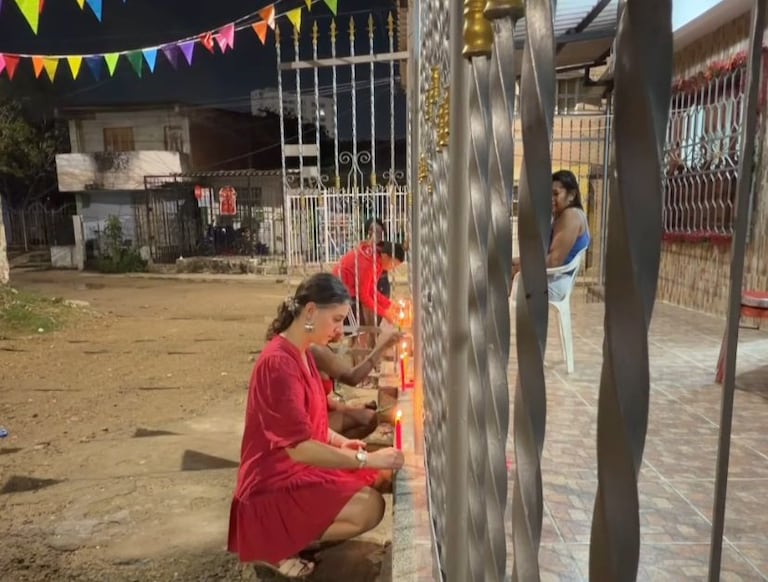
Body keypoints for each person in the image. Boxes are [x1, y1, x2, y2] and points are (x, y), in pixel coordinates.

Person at [228, 273, 405, 578]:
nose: (339, 330)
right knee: (368, 506)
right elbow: (298, 447)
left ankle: (293, 536)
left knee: (375, 482)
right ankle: (272, 543)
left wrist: (340, 443)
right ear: (310, 312)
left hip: (296, 468)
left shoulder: (304, 353)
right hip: (272, 483)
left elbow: (310, 424)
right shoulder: (278, 364)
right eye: (336, 319)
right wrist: (366, 458)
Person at [512, 169, 591, 302]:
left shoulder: (570, 216)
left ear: (571, 195)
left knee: (499, 279)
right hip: (554, 278)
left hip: (554, 282)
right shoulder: (566, 215)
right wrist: (516, 261)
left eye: (556, 194)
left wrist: (519, 268)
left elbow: (554, 261)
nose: (551, 199)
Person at [310, 327, 402, 440]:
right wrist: (381, 347)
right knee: (369, 419)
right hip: (311, 421)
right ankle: (333, 451)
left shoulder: (318, 346)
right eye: (336, 319)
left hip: (320, 412)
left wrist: (350, 408)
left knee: (369, 416)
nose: (341, 330)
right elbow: (352, 377)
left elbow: (322, 397)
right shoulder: (315, 349)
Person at [333, 239, 406, 326]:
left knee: (369, 315)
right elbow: (364, 295)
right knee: (363, 323)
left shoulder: (377, 260)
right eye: (394, 264)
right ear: (386, 256)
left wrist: (390, 305)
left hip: (348, 291)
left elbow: (371, 290)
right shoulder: (369, 264)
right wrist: (385, 314)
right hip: (339, 293)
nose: (393, 268)